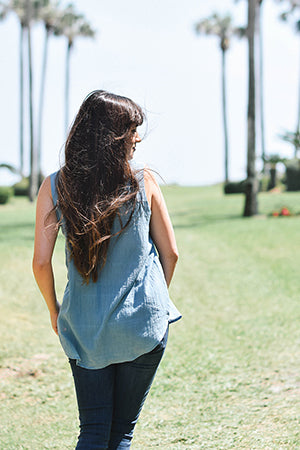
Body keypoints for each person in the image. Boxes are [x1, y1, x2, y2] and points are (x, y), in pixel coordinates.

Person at [32, 90, 181, 449]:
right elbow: (171, 254)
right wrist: (153, 301)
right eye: (131, 129)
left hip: (84, 329)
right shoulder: (143, 181)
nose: (137, 138)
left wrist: (55, 311)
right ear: (111, 135)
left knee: (94, 430)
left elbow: (40, 262)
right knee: (121, 433)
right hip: (143, 326)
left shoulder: (54, 185)